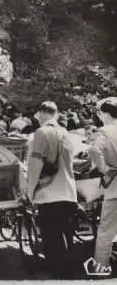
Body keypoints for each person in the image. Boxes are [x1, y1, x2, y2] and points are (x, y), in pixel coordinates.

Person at [27, 101, 77, 279]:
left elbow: (35, 164)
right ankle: (68, 270)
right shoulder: (67, 134)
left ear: (41, 114)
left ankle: (55, 271)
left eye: (38, 116)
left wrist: (30, 190)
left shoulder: (41, 133)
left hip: (49, 193)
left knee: (51, 235)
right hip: (69, 192)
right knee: (66, 233)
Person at [86, 97, 117, 277]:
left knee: (105, 232)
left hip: (114, 188)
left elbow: (94, 151)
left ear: (105, 114)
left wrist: (105, 169)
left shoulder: (105, 130)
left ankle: (100, 268)